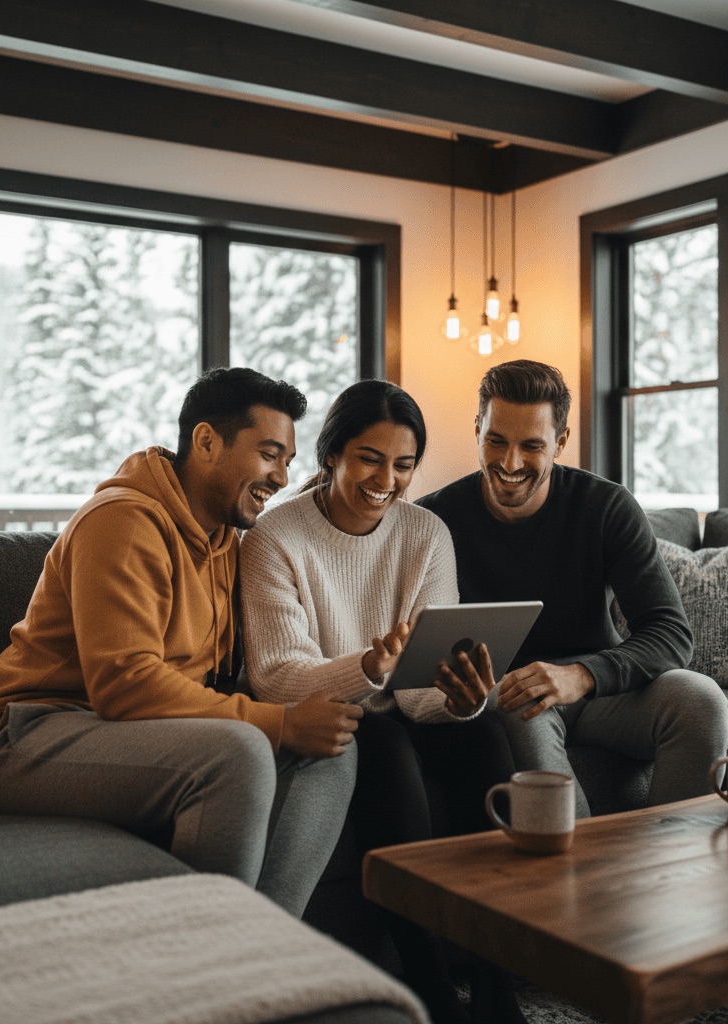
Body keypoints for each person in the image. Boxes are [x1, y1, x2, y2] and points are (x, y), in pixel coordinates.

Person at [0, 367, 362, 918]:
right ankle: (215, 965)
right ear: (205, 442)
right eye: (269, 454)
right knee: (242, 751)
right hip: (27, 736)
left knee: (331, 752)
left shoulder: (225, 537)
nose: (281, 477)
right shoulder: (122, 522)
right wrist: (280, 723)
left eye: (289, 462)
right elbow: (124, 686)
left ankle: (259, 953)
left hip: (126, 732)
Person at [239, 379, 518, 1024]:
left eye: (404, 465)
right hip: (344, 713)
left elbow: (420, 695)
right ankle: (433, 994)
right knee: (383, 744)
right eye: (369, 459)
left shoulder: (426, 535)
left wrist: (461, 698)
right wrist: (367, 666)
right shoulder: (274, 540)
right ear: (331, 453)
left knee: (487, 736)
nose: (386, 480)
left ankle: (498, 989)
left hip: (407, 706)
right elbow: (277, 677)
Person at [417, 359, 728, 819]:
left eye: (532, 446)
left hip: (600, 692)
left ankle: (679, 862)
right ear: (477, 430)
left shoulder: (606, 507)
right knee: (521, 707)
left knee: (701, 700)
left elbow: (669, 632)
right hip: (512, 697)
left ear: (561, 442)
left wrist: (581, 674)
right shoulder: (435, 520)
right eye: (496, 440)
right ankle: (578, 880)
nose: (510, 462)